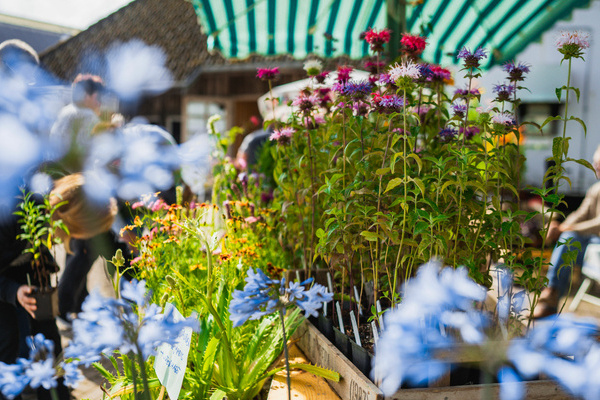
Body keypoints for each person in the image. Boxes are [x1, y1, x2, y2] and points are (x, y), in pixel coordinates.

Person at [52, 174, 135, 322]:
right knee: (81, 258)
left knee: (88, 257)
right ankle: (65, 307)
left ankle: (136, 290)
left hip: (91, 205)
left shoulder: (96, 194)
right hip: (87, 209)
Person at [533, 145, 600, 318]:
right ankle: (551, 294)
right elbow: (580, 214)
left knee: (570, 235)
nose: (596, 167)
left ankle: (551, 297)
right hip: (594, 243)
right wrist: (558, 227)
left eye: (599, 164)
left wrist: (567, 228)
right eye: (595, 163)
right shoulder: (596, 189)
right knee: (568, 238)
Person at [50, 73, 105, 173]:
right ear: (86, 96)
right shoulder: (88, 115)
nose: (100, 103)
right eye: (98, 98)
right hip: (73, 173)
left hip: (56, 168)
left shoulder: (65, 111)